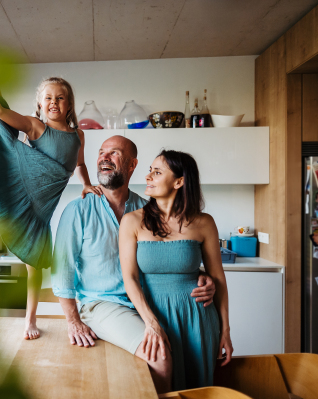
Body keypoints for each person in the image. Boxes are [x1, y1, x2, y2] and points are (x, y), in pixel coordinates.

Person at [51, 136, 216, 393]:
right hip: (104, 304)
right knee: (160, 357)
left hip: (145, 303)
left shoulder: (146, 208)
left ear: (132, 165)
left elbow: (169, 252)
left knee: (187, 354)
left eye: (114, 153)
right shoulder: (78, 210)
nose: (104, 157)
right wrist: (73, 320)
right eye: (101, 152)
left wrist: (203, 274)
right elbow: (62, 272)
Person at [0, 37, 101, 340]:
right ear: (40, 105)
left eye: (60, 98)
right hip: (23, 197)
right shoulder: (34, 126)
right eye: (48, 98)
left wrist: (85, 184)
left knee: (35, 268)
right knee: (31, 265)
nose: (54, 102)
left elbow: (79, 163)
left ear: (69, 104)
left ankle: (37, 319)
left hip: (43, 212)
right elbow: (0, 113)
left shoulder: (78, 136)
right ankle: (29, 321)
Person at [119, 150, 233, 392]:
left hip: (197, 318)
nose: (148, 176)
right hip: (151, 315)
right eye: (150, 170)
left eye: (157, 172)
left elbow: (218, 279)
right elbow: (129, 278)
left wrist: (225, 330)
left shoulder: (204, 222)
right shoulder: (132, 221)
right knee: (155, 388)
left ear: (179, 182)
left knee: (199, 389)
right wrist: (151, 323)